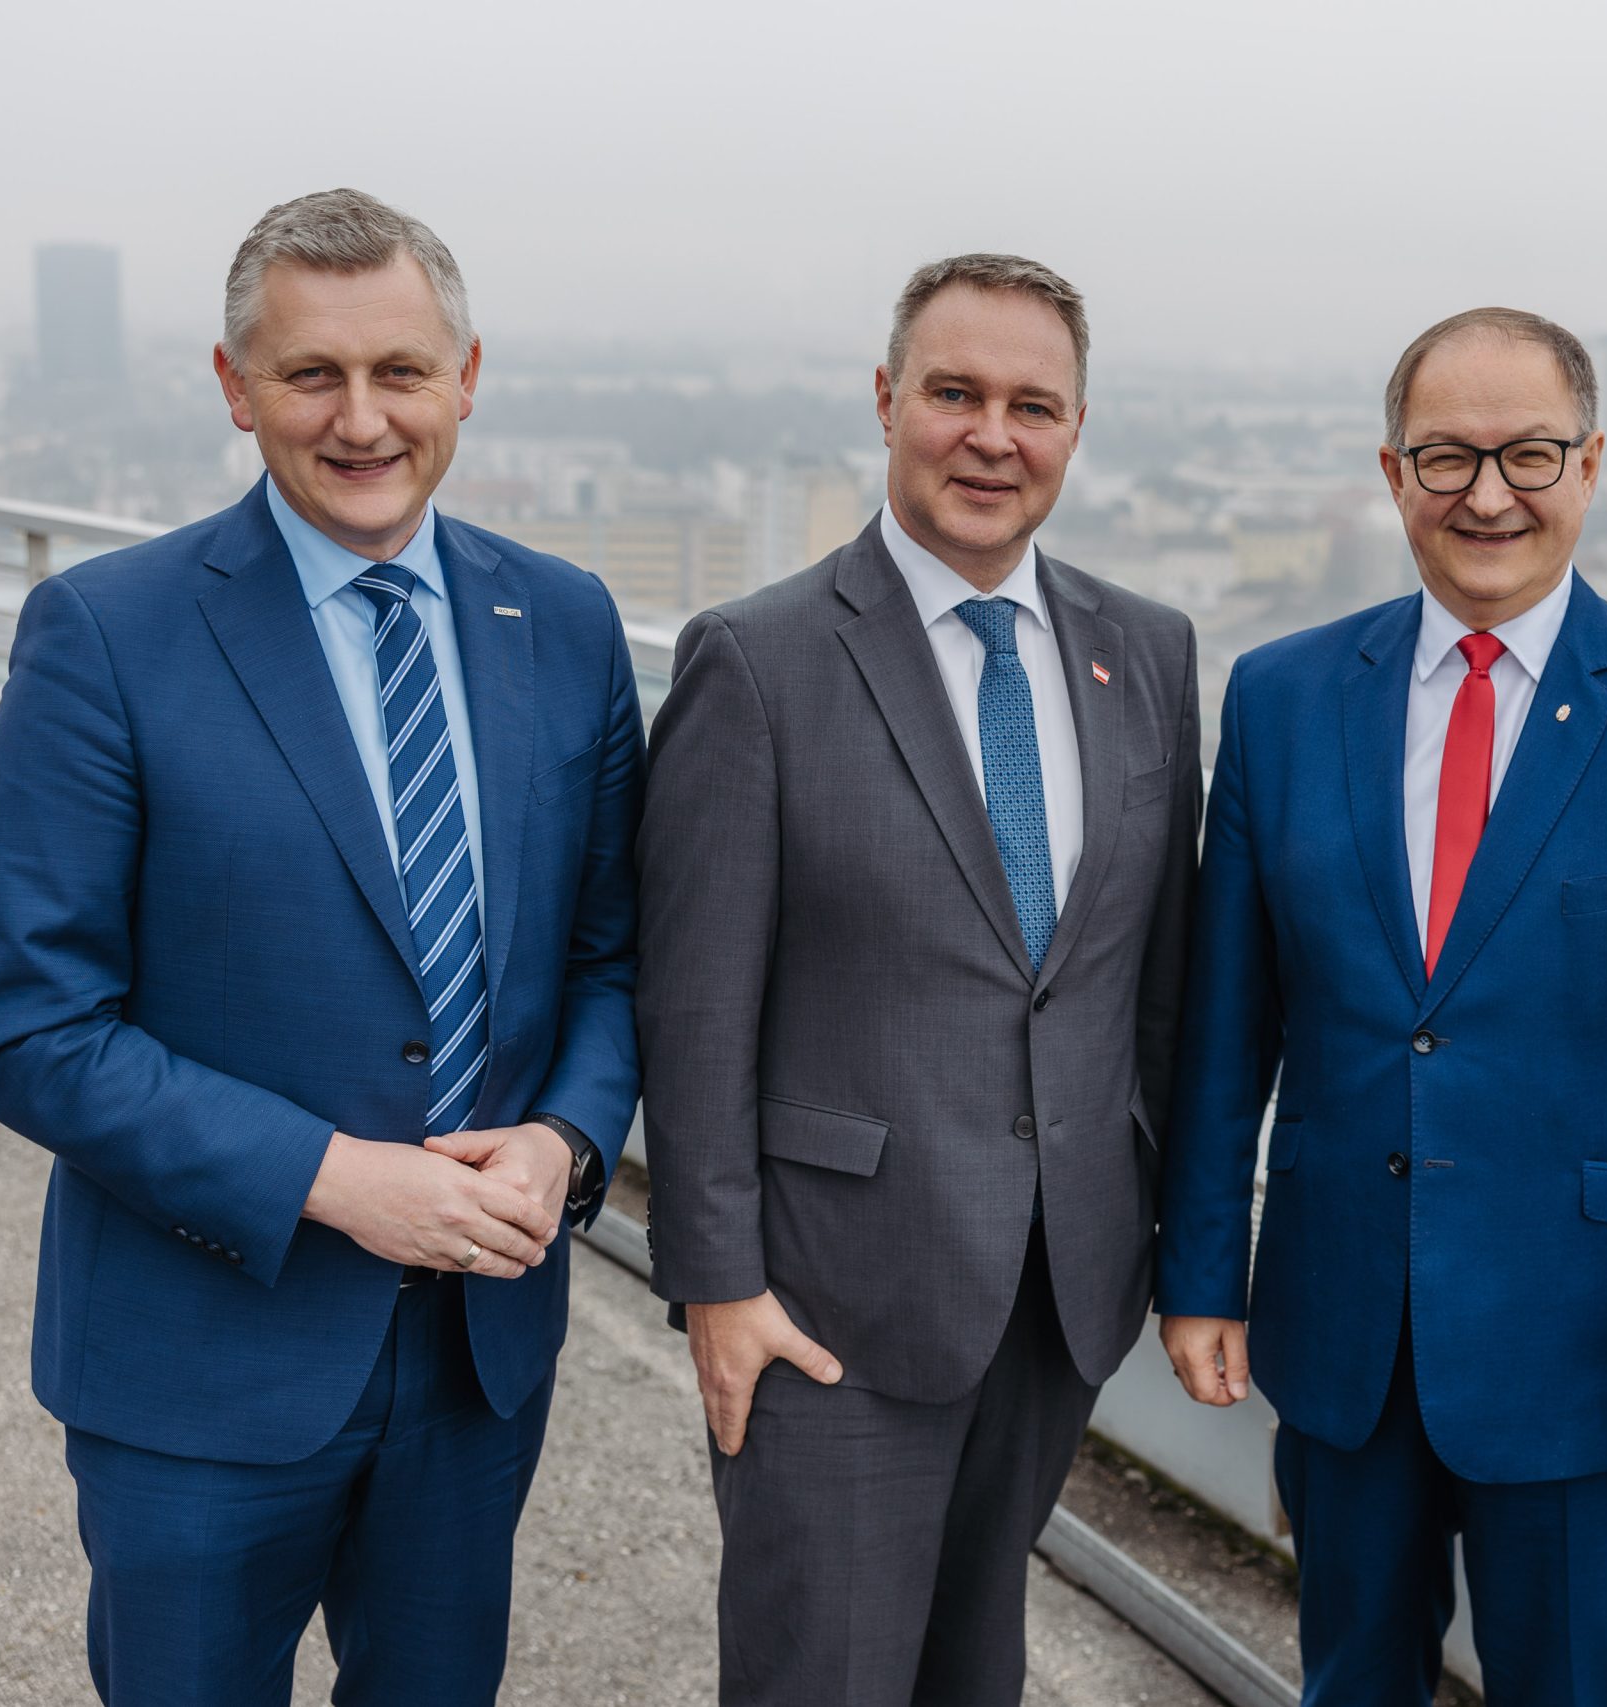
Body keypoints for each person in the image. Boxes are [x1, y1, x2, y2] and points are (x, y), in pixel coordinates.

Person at [0, 188, 643, 1706]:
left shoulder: (568, 621)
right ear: (234, 385)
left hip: (477, 1360)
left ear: (468, 378)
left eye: (401, 371)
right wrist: (336, 1180)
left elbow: (609, 956)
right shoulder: (105, 634)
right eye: (311, 374)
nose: (361, 419)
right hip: (199, 1364)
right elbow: (28, 1029)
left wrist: (567, 1142)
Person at [1156, 307, 1607, 1705]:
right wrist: (1204, 1273)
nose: (1488, 494)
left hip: (1593, 1365)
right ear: (1392, 472)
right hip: (1342, 1335)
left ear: (1591, 464)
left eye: (1529, 454)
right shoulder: (1281, 699)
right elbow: (1226, 1030)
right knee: (1351, 1685)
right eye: (1447, 456)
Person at [637, 253, 1201, 1707]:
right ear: (887, 400)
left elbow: (1151, 987)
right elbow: (694, 1007)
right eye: (954, 394)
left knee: (973, 1673)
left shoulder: (1146, 653)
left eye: (1033, 406)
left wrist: (1161, 1231)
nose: (991, 437)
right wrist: (717, 1286)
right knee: (820, 1678)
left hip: (1059, 1294)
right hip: (829, 1301)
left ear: (1077, 428)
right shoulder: (757, 660)